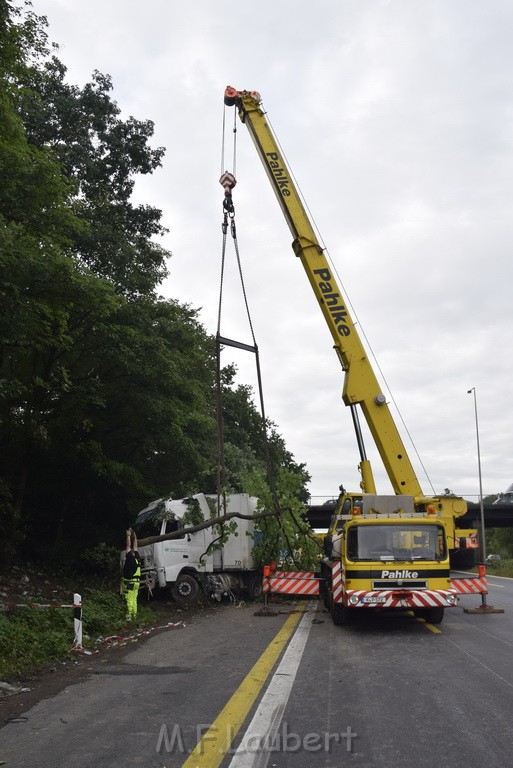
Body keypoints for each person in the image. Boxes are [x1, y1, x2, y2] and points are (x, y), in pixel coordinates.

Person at [122, 528, 141, 621]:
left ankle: (129, 618)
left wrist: (128, 536)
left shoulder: (130, 558)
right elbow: (135, 546)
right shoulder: (137, 558)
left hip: (130, 583)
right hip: (137, 583)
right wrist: (135, 536)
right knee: (134, 600)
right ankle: (135, 617)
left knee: (129, 600)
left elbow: (128, 546)